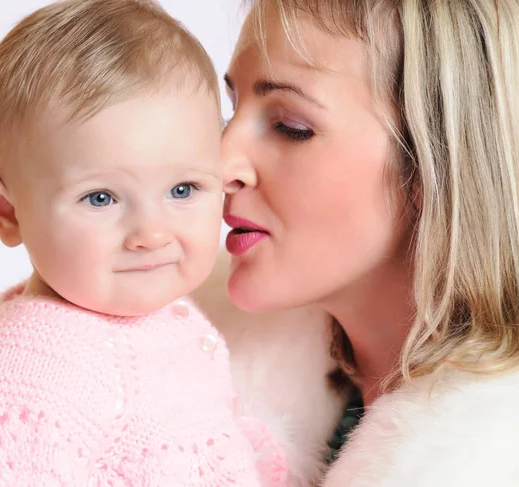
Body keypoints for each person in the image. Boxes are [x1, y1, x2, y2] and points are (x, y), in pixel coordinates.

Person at [0, 1, 287, 485]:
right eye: (100, 198)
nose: (152, 235)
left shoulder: (169, 319)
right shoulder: (26, 372)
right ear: (6, 211)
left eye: (183, 190)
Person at [193, 1, 519, 486]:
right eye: (230, 111)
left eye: (291, 126)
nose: (219, 166)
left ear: (436, 166)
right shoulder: (168, 350)